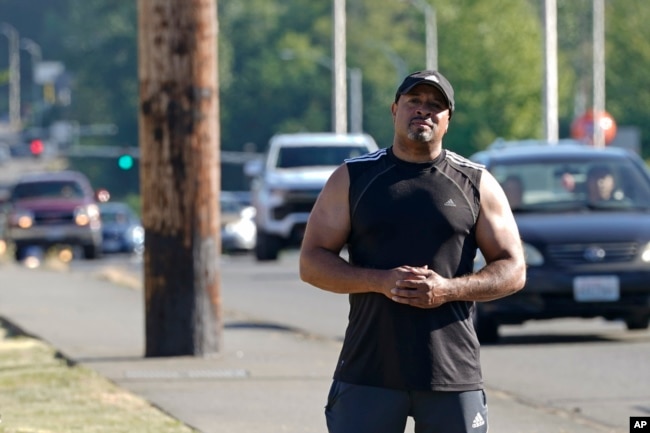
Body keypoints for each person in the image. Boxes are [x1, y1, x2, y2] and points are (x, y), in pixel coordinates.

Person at [299, 70, 526, 433]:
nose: (423, 111)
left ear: (448, 120)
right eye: (414, 102)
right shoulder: (353, 178)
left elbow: (514, 269)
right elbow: (311, 262)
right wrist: (379, 281)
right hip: (369, 370)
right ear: (394, 109)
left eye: (435, 105)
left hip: (452, 373)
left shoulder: (476, 182)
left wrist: (448, 290)